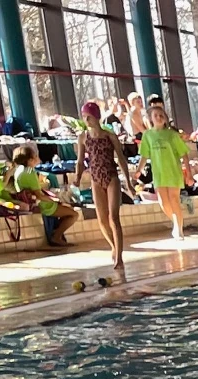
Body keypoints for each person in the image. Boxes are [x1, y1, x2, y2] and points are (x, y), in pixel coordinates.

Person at [74, 101, 134, 273]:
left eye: (89, 117)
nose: (86, 120)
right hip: (95, 179)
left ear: (97, 117)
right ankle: (114, 246)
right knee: (101, 219)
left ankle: (120, 257)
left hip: (111, 177)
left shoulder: (109, 136)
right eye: (84, 117)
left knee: (113, 217)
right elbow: (79, 161)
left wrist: (128, 182)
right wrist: (77, 178)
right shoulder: (83, 137)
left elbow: (121, 159)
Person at [138, 103, 191, 239]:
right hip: (159, 173)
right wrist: (139, 170)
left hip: (173, 171)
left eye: (161, 115)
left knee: (174, 199)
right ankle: (175, 222)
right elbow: (144, 154)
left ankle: (179, 229)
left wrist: (189, 174)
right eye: (156, 115)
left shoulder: (172, 135)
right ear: (151, 118)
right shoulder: (148, 136)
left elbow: (184, 154)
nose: (159, 117)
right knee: (163, 202)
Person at [10, 144, 74, 247]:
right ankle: (56, 236)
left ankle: (56, 233)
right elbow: (39, 195)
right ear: (30, 160)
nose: (37, 158)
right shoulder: (30, 172)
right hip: (41, 205)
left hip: (28, 201)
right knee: (74, 214)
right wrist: (55, 200)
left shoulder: (19, 170)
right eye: (35, 156)